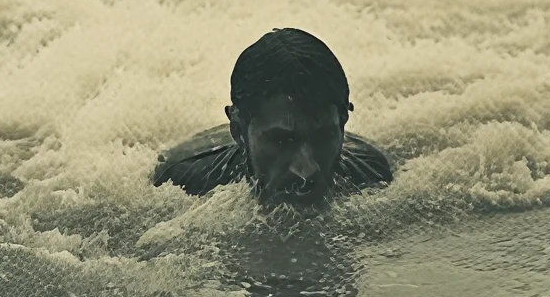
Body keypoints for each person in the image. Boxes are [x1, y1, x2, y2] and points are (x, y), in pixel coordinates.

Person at [153, 28, 393, 210]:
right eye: (282, 141)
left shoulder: (372, 175)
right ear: (238, 131)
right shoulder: (182, 182)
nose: (306, 170)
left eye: (323, 137)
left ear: (343, 122)